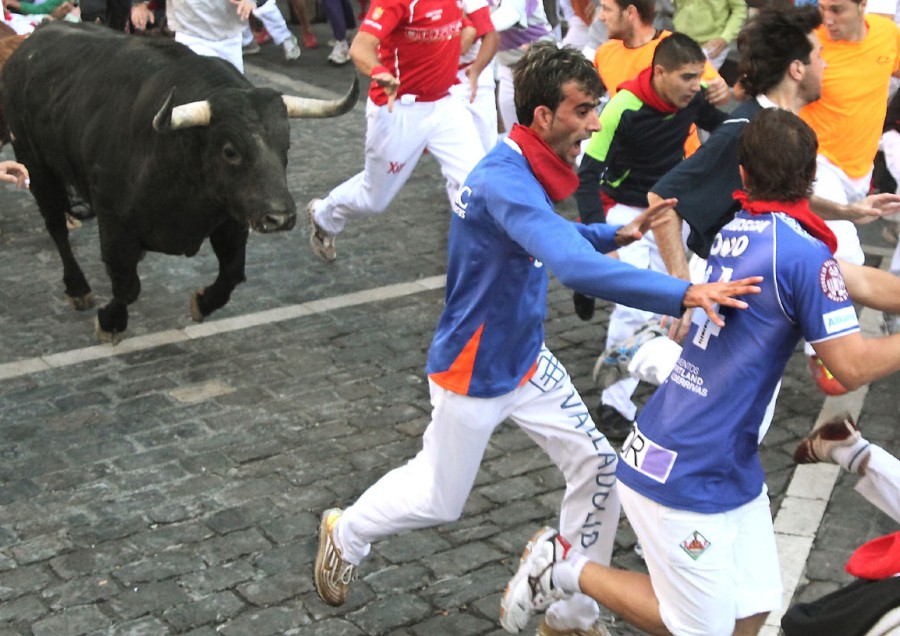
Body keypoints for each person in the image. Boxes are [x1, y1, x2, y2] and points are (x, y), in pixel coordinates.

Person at [313, 41, 763, 636]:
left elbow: (549, 233)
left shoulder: (524, 162)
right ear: (544, 115)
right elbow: (568, 265)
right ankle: (346, 532)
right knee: (439, 498)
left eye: (596, 108)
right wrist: (684, 293)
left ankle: (570, 615)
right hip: (474, 369)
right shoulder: (504, 179)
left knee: (599, 468)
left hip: (526, 357)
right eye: (583, 111)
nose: (595, 124)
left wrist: (608, 234)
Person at [500, 107, 900, 636]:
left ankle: (639, 353)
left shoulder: (745, 229)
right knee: (702, 629)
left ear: (743, 174)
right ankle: (562, 567)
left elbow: (864, 283)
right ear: (810, 177)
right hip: (683, 463)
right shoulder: (803, 254)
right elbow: (850, 367)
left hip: (719, 456)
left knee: (751, 611)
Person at [627, 5, 900, 397]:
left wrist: (845, 211)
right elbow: (662, 197)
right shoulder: (746, 127)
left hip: (759, 289)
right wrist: (683, 292)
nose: (826, 64)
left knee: (743, 410)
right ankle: (646, 353)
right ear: (797, 69)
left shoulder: (783, 129)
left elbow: (783, 192)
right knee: (716, 406)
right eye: (819, 56)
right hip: (722, 295)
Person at [575, 32, 728, 439]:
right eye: (687, 77)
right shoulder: (622, 107)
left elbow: (728, 131)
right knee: (633, 305)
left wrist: (732, 97)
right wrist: (600, 242)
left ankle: (661, 373)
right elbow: (586, 177)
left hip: (668, 212)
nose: (696, 86)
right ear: (660, 73)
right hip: (623, 211)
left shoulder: (692, 98)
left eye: (699, 77)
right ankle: (614, 404)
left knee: (671, 300)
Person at [305, 0, 496, 262]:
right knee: (374, 199)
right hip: (399, 108)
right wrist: (379, 71)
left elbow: (465, 27)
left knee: (477, 183)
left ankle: (479, 259)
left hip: (446, 104)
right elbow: (360, 47)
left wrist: (457, 50)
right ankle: (324, 215)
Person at [490, 0, 556, 134]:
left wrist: (476, 26)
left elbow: (510, 14)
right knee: (514, 132)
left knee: (542, 131)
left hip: (538, 65)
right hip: (508, 67)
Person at [672, 0, 747, 70]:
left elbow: (739, 10)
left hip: (710, 45)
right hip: (679, 40)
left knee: (696, 77)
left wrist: (725, 38)